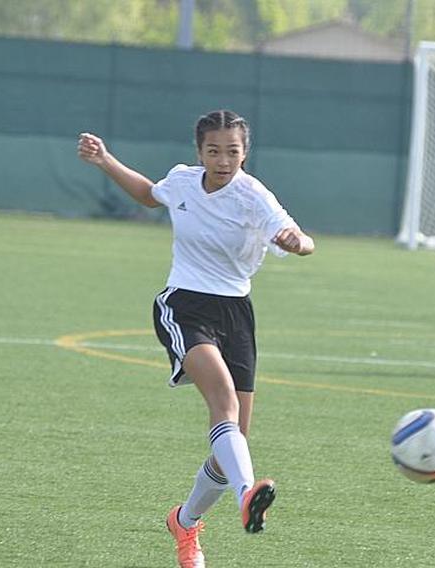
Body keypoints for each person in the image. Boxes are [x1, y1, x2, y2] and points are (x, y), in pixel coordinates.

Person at [77, 109, 314, 568]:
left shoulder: (253, 196)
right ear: (199, 152)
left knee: (232, 447)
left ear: (245, 152)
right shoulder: (184, 182)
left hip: (237, 313)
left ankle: (185, 523)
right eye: (213, 151)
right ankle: (248, 496)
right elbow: (150, 196)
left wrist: (294, 241)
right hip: (184, 304)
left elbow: (302, 239)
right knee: (222, 403)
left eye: (232, 151)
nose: (223, 160)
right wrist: (106, 160)